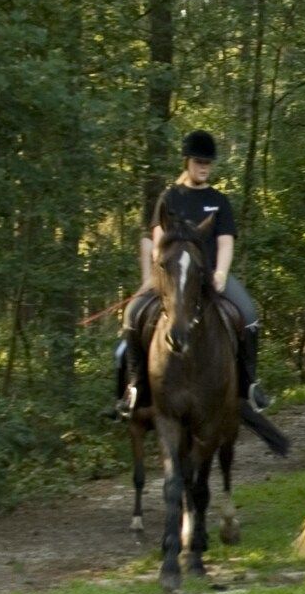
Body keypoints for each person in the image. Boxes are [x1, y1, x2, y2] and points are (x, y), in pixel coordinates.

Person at [114, 130, 268, 416]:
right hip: (173, 277)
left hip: (208, 275)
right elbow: (159, 242)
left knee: (249, 316)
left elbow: (225, 241)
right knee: (132, 316)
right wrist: (156, 276)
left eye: (208, 162)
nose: (204, 167)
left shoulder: (219, 201)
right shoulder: (169, 198)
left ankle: (249, 384)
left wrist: (221, 273)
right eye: (199, 161)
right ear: (187, 161)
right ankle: (134, 386)